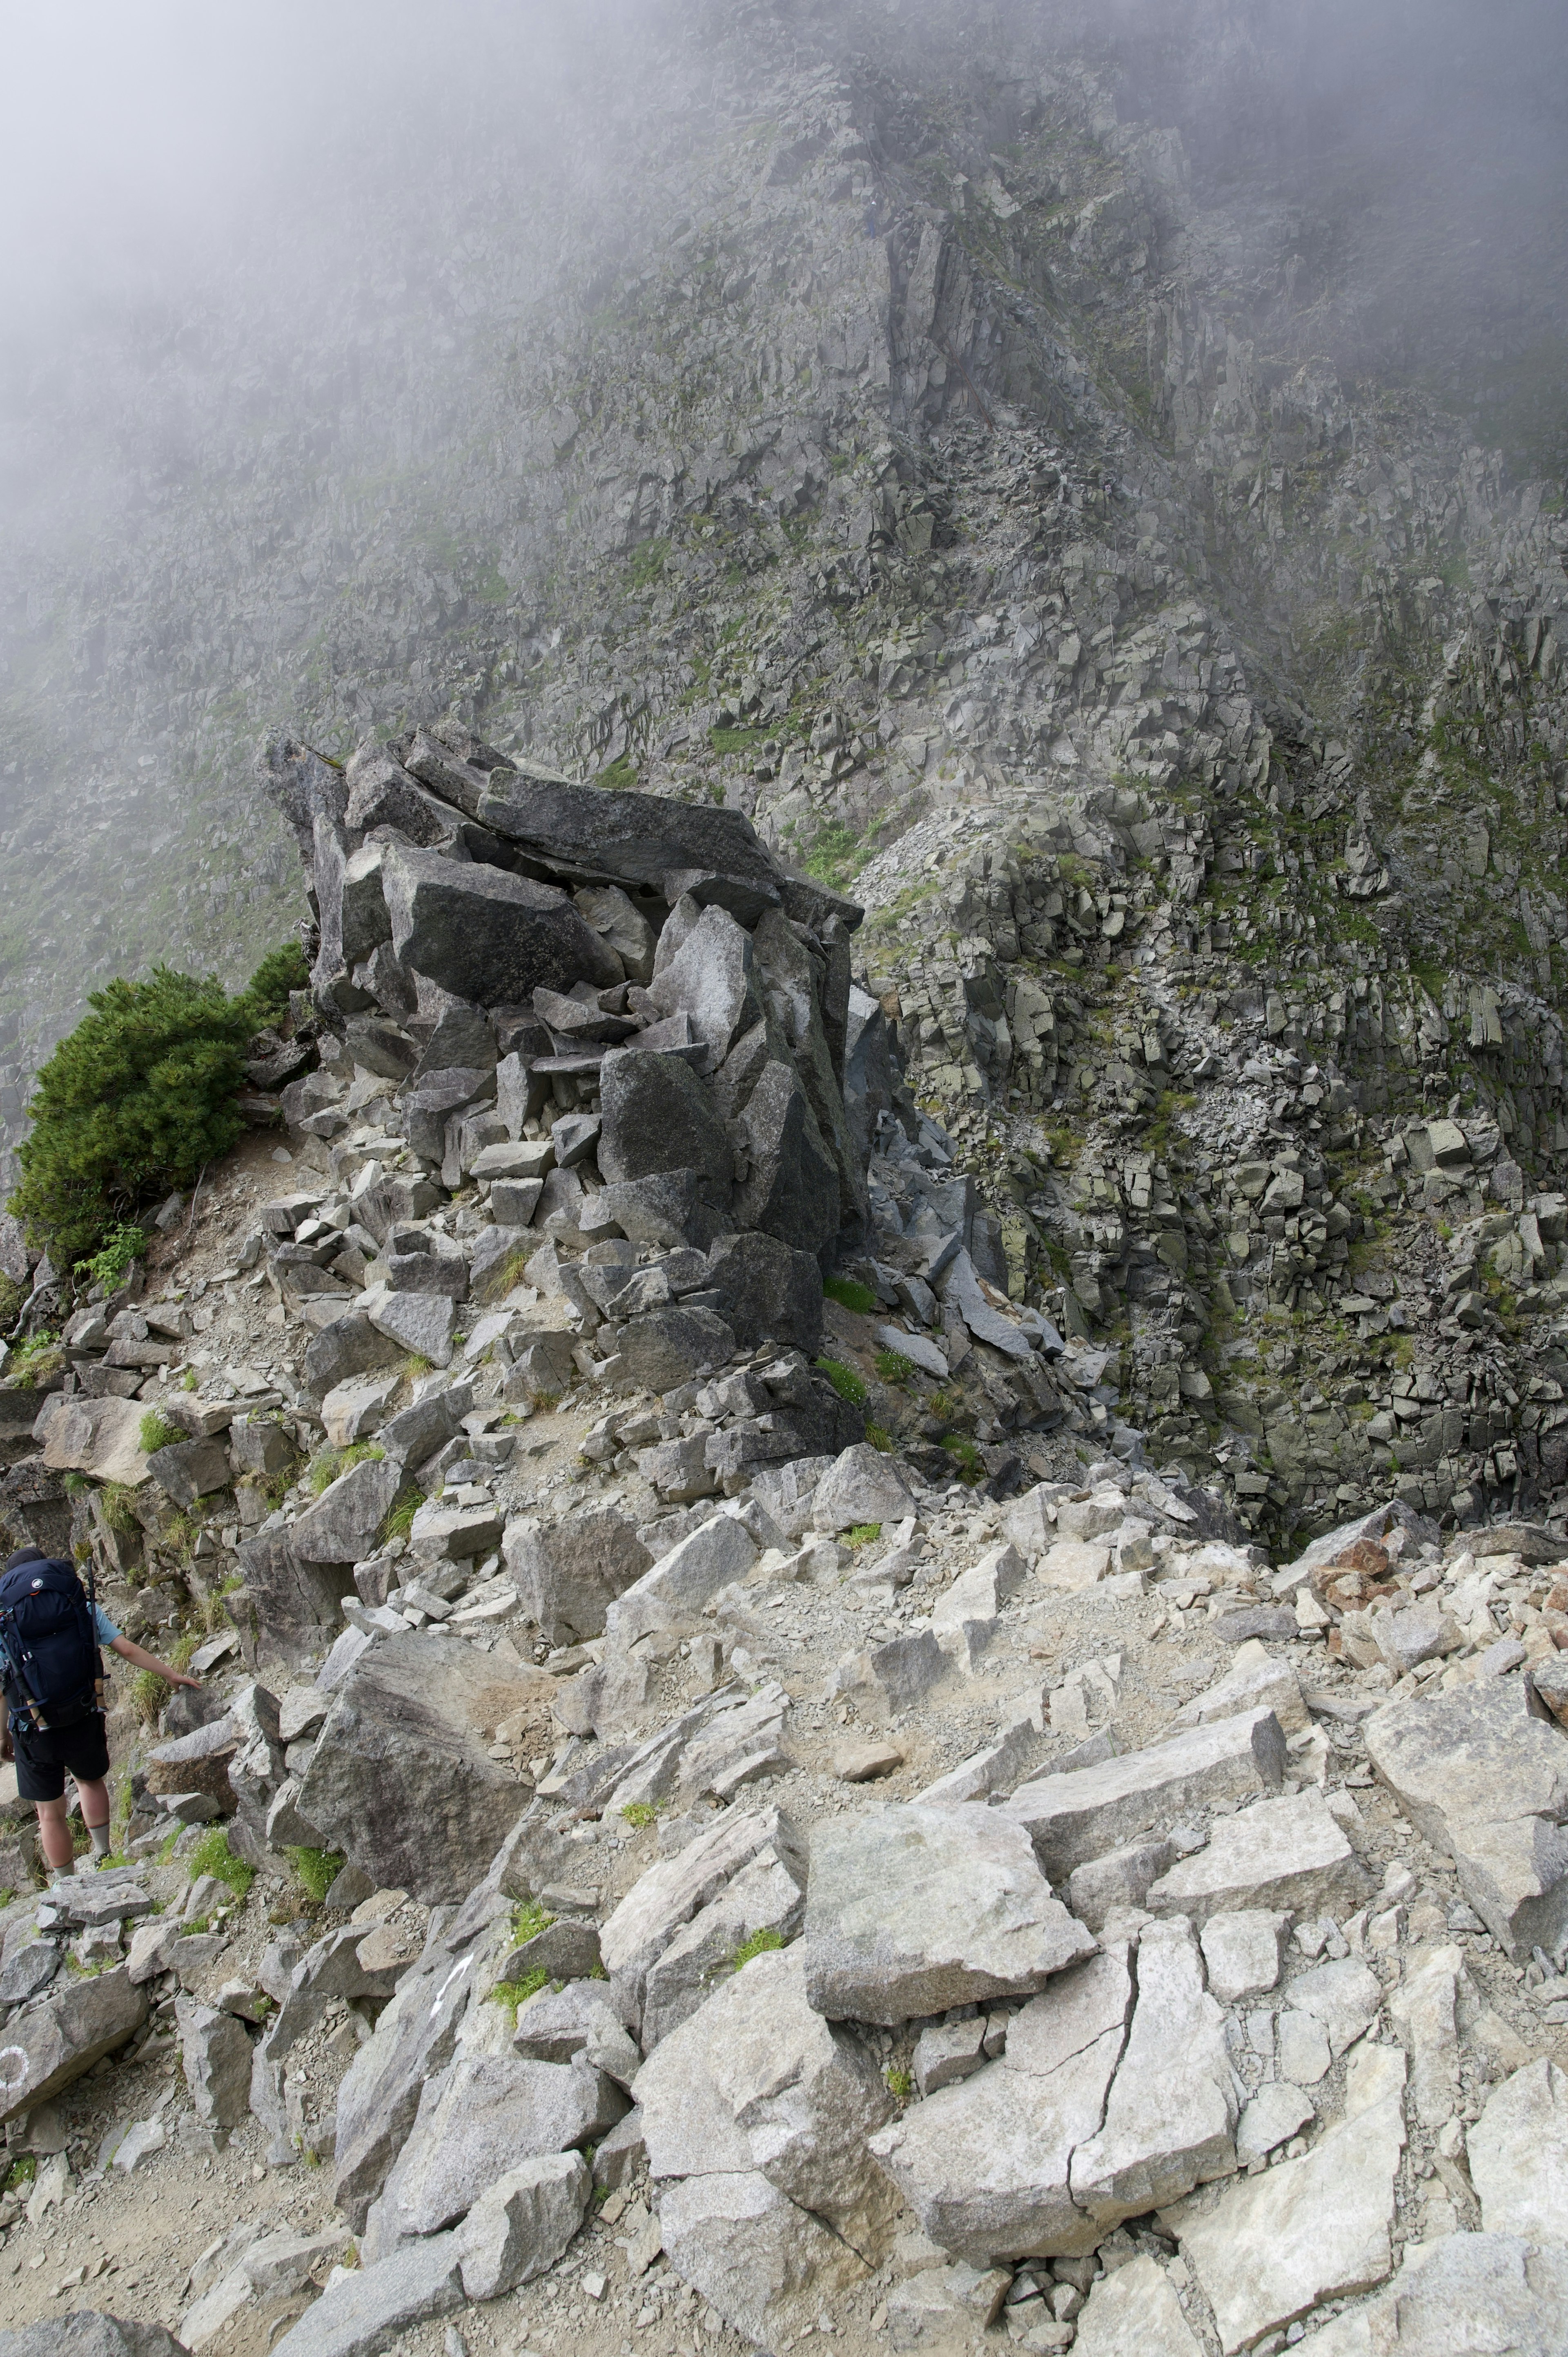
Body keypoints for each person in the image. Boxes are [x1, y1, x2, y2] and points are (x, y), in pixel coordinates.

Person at [0, 1543, 200, 1878]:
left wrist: (2, 1736)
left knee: (49, 1813)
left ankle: (66, 1885)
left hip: (32, 1726)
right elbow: (126, 1648)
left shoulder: (6, 1620)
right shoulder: (77, 1604)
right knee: (89, 1782)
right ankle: (104, 1855)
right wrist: (169, 1673)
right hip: (82, 1710)